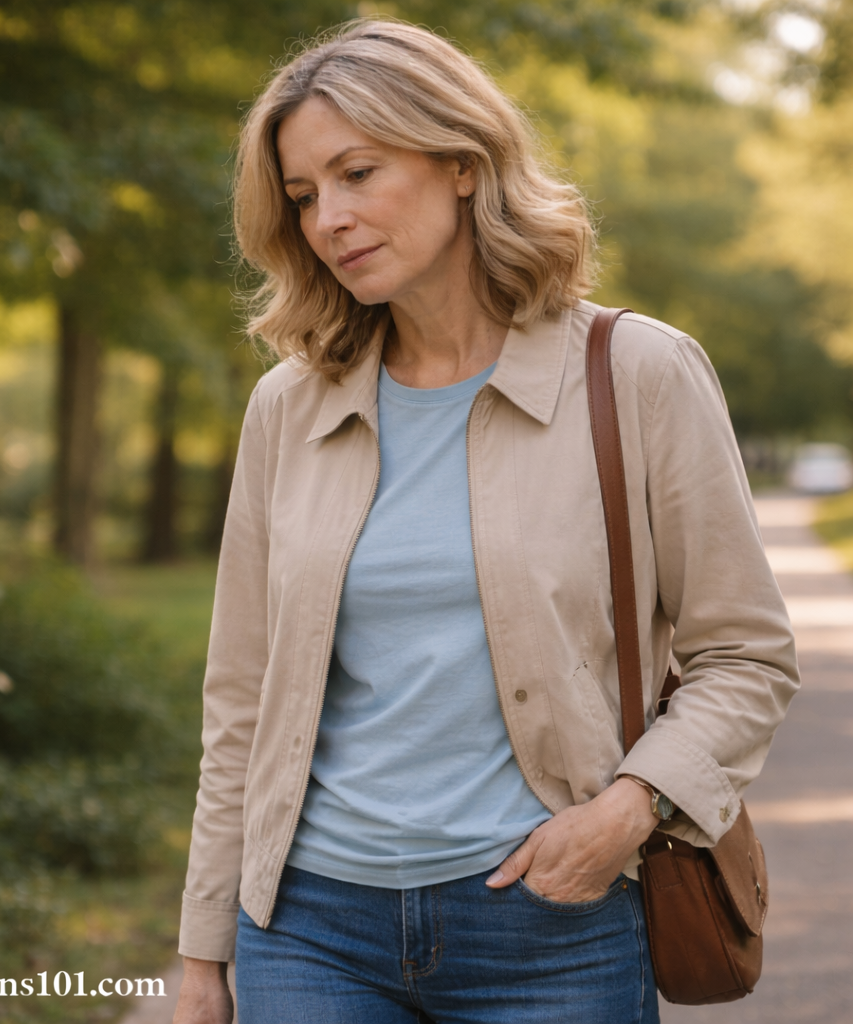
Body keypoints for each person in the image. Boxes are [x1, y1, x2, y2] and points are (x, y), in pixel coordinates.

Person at [172, 19, 799, 1024]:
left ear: (462, 163)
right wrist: (203, 950)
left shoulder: (635, 374)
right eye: (302, 197)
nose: (328, 217)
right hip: (308, 927)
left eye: (357, 172)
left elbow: (747, 655)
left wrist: (628, 810)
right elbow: (241, 699)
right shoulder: (288, 408)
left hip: (555, 922)